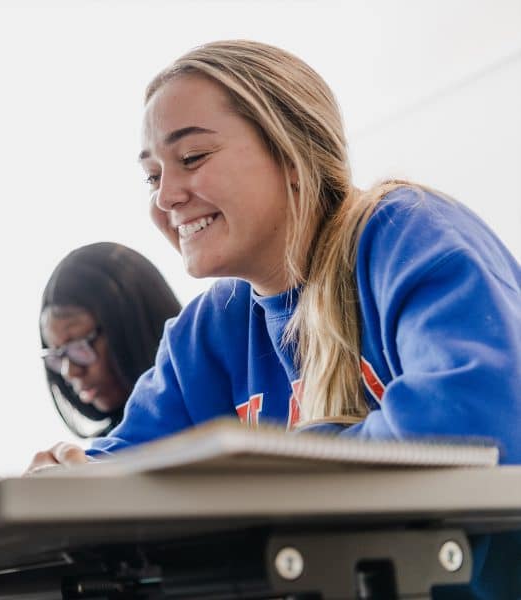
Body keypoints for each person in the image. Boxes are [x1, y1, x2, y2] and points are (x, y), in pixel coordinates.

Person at [27, 40, 521, 596]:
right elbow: (122, 468)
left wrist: (259, 477)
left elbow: (472, 420)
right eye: (151, 176)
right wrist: (67, 472)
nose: (165, 196)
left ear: (292, 153)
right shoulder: (207, 331)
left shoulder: (406, 233)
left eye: (191, 158)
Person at [40, 242, 181, 438]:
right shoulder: (109, 450)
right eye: (57, 356)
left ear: (135, 325)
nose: (70, 371)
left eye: (79, 347)